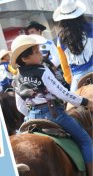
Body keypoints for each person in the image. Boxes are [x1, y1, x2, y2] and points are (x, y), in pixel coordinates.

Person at [10, 34, 93, 175]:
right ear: (24, 58)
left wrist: (31, 114)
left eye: (39, 50)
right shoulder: (43, 71)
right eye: (36, 52)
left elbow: (20, 106)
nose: (40, 54)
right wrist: (85, 101)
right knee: (85, 140)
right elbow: (62, 93)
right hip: (54, 115)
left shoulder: (16, 78)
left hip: (30, 118)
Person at [53, 0, 93, 92]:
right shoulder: (91, 27)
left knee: (73, 104)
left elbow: (64, 63)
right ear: (79, 14)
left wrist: (69, 80)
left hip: (78, 76)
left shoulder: (60, 38)